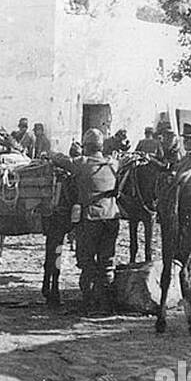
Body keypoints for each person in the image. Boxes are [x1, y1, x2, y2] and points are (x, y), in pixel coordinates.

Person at [52, 128, 120, 312]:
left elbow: (62, 161)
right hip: (112, 216)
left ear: (87, 147)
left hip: (91, 218)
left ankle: (88, 302)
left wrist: (49, 154)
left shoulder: (82, 163)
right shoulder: (113, 163)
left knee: (87, 261)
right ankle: (106, 304)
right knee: (107, 261)